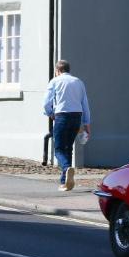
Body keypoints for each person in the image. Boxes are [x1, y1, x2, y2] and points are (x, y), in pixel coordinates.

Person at [42, 59, 91, 191]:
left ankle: (66, 168)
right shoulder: (78, 82)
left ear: (57, 70)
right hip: (76, 116)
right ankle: (65, 182)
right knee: (68, 148)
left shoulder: (55, 81)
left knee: (58, 149)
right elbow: (85, 104)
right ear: (68, 70)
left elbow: (46, 102)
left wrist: (50, 113)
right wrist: (87, 124)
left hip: (62, 116)